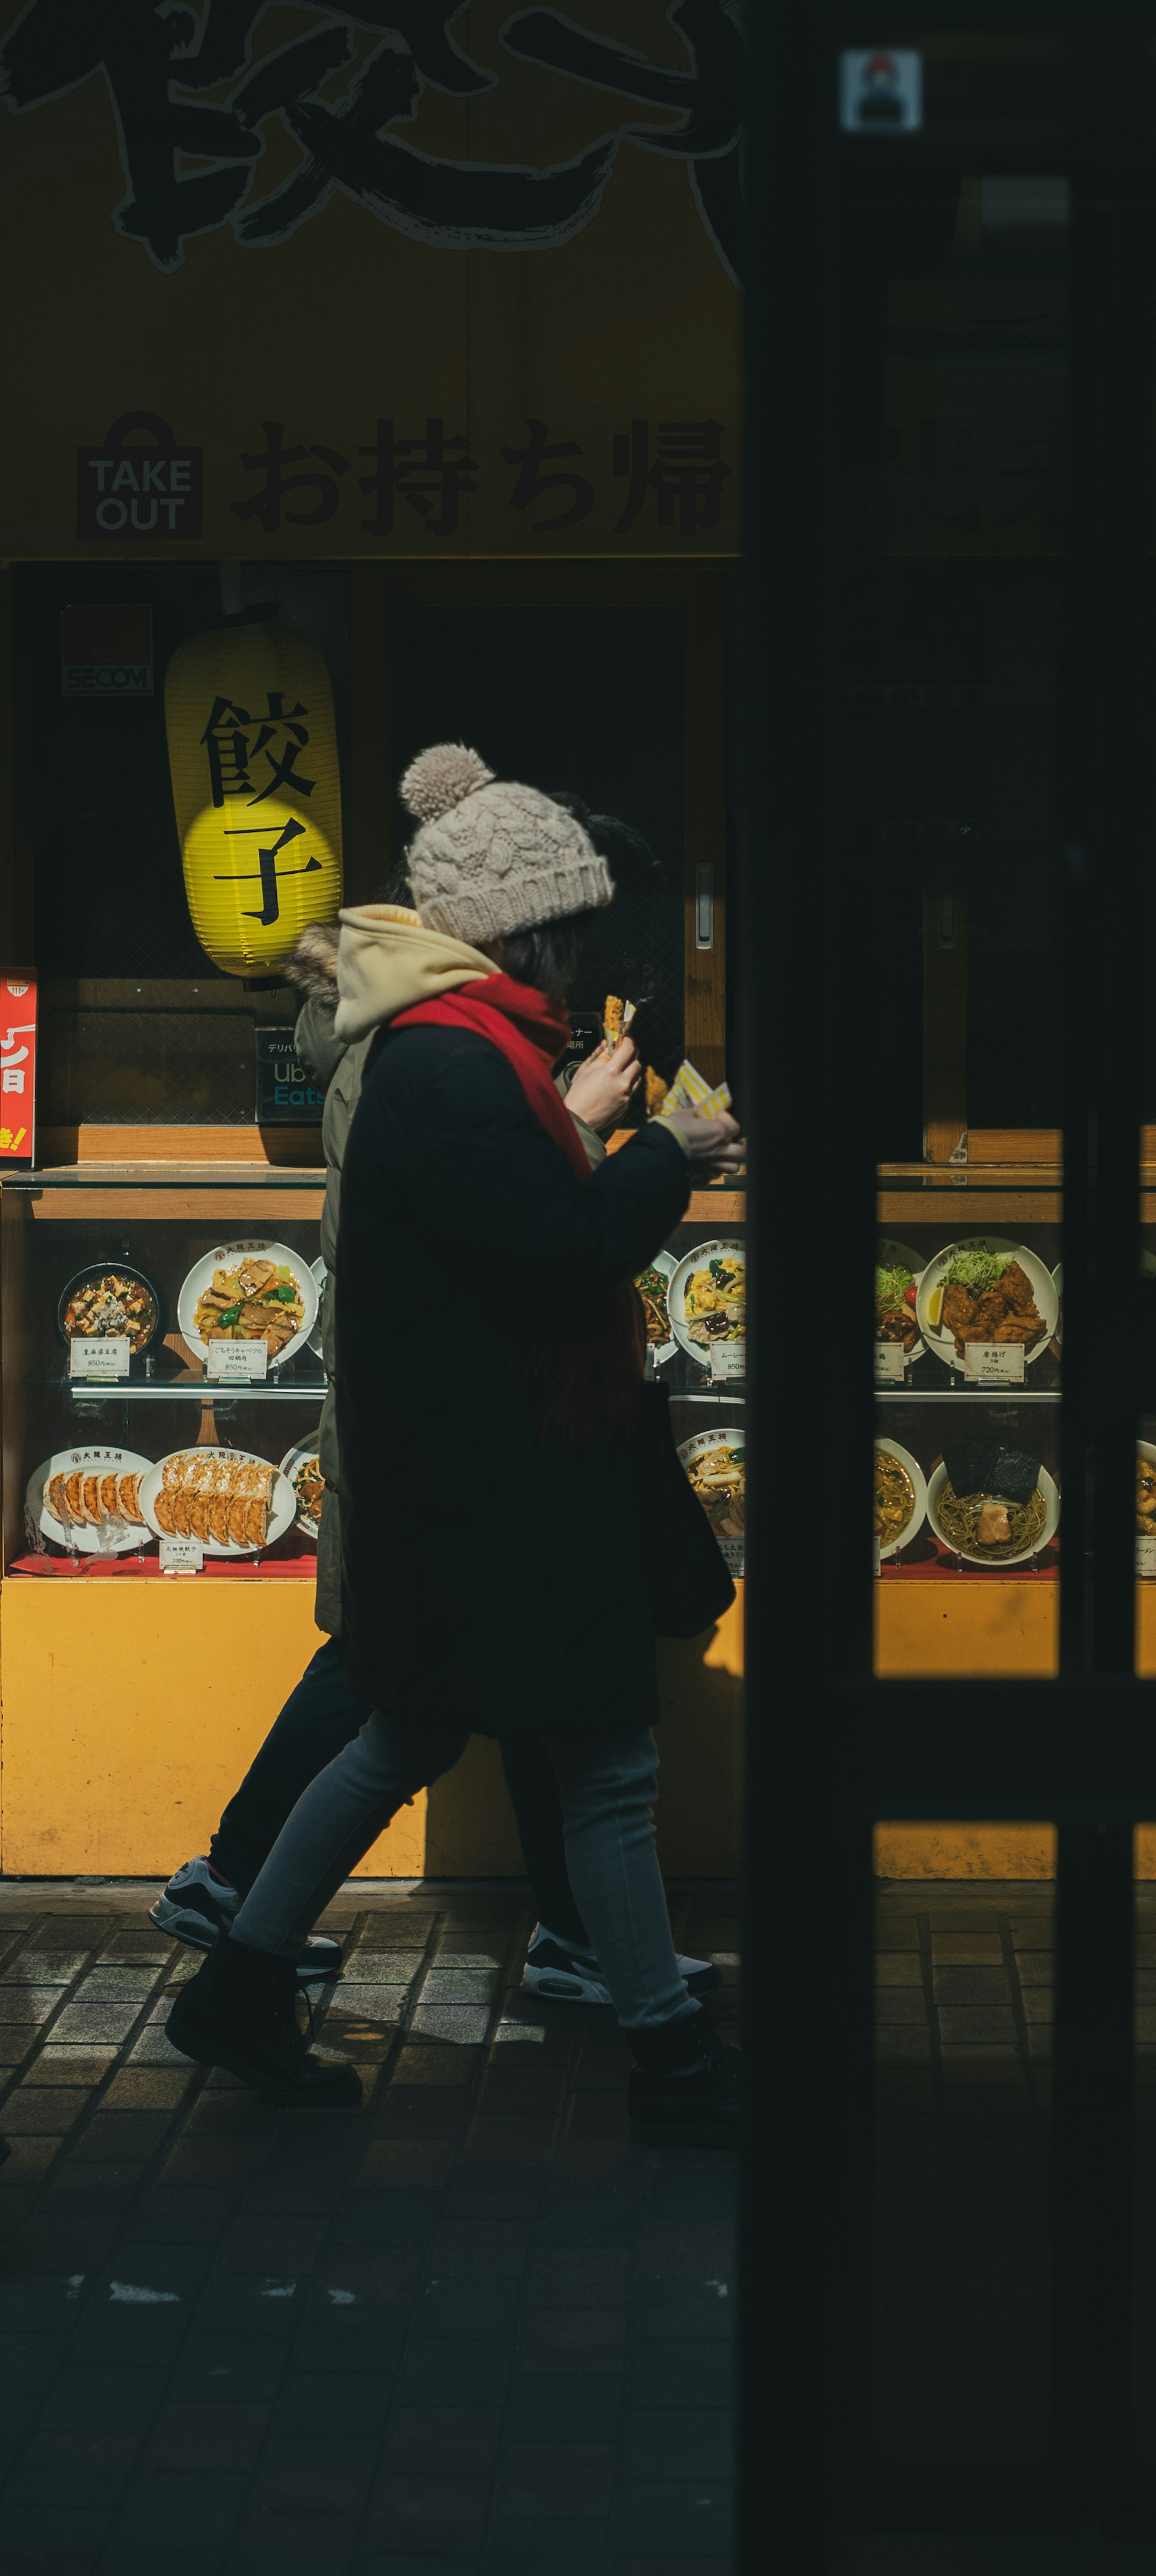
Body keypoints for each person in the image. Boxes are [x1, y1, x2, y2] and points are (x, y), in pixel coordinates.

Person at [167, 745, 745, 2144]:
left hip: (469, 1474)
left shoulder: (461, 1054)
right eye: (576, 928)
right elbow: (558, 1261)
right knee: (598, 1761)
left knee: (406, 1734)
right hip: (510, 1484)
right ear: (526, 929)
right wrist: (672, 1152)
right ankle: (668, 2052)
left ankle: (240, 1985)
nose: (584, 957)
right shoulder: (456, 1068)